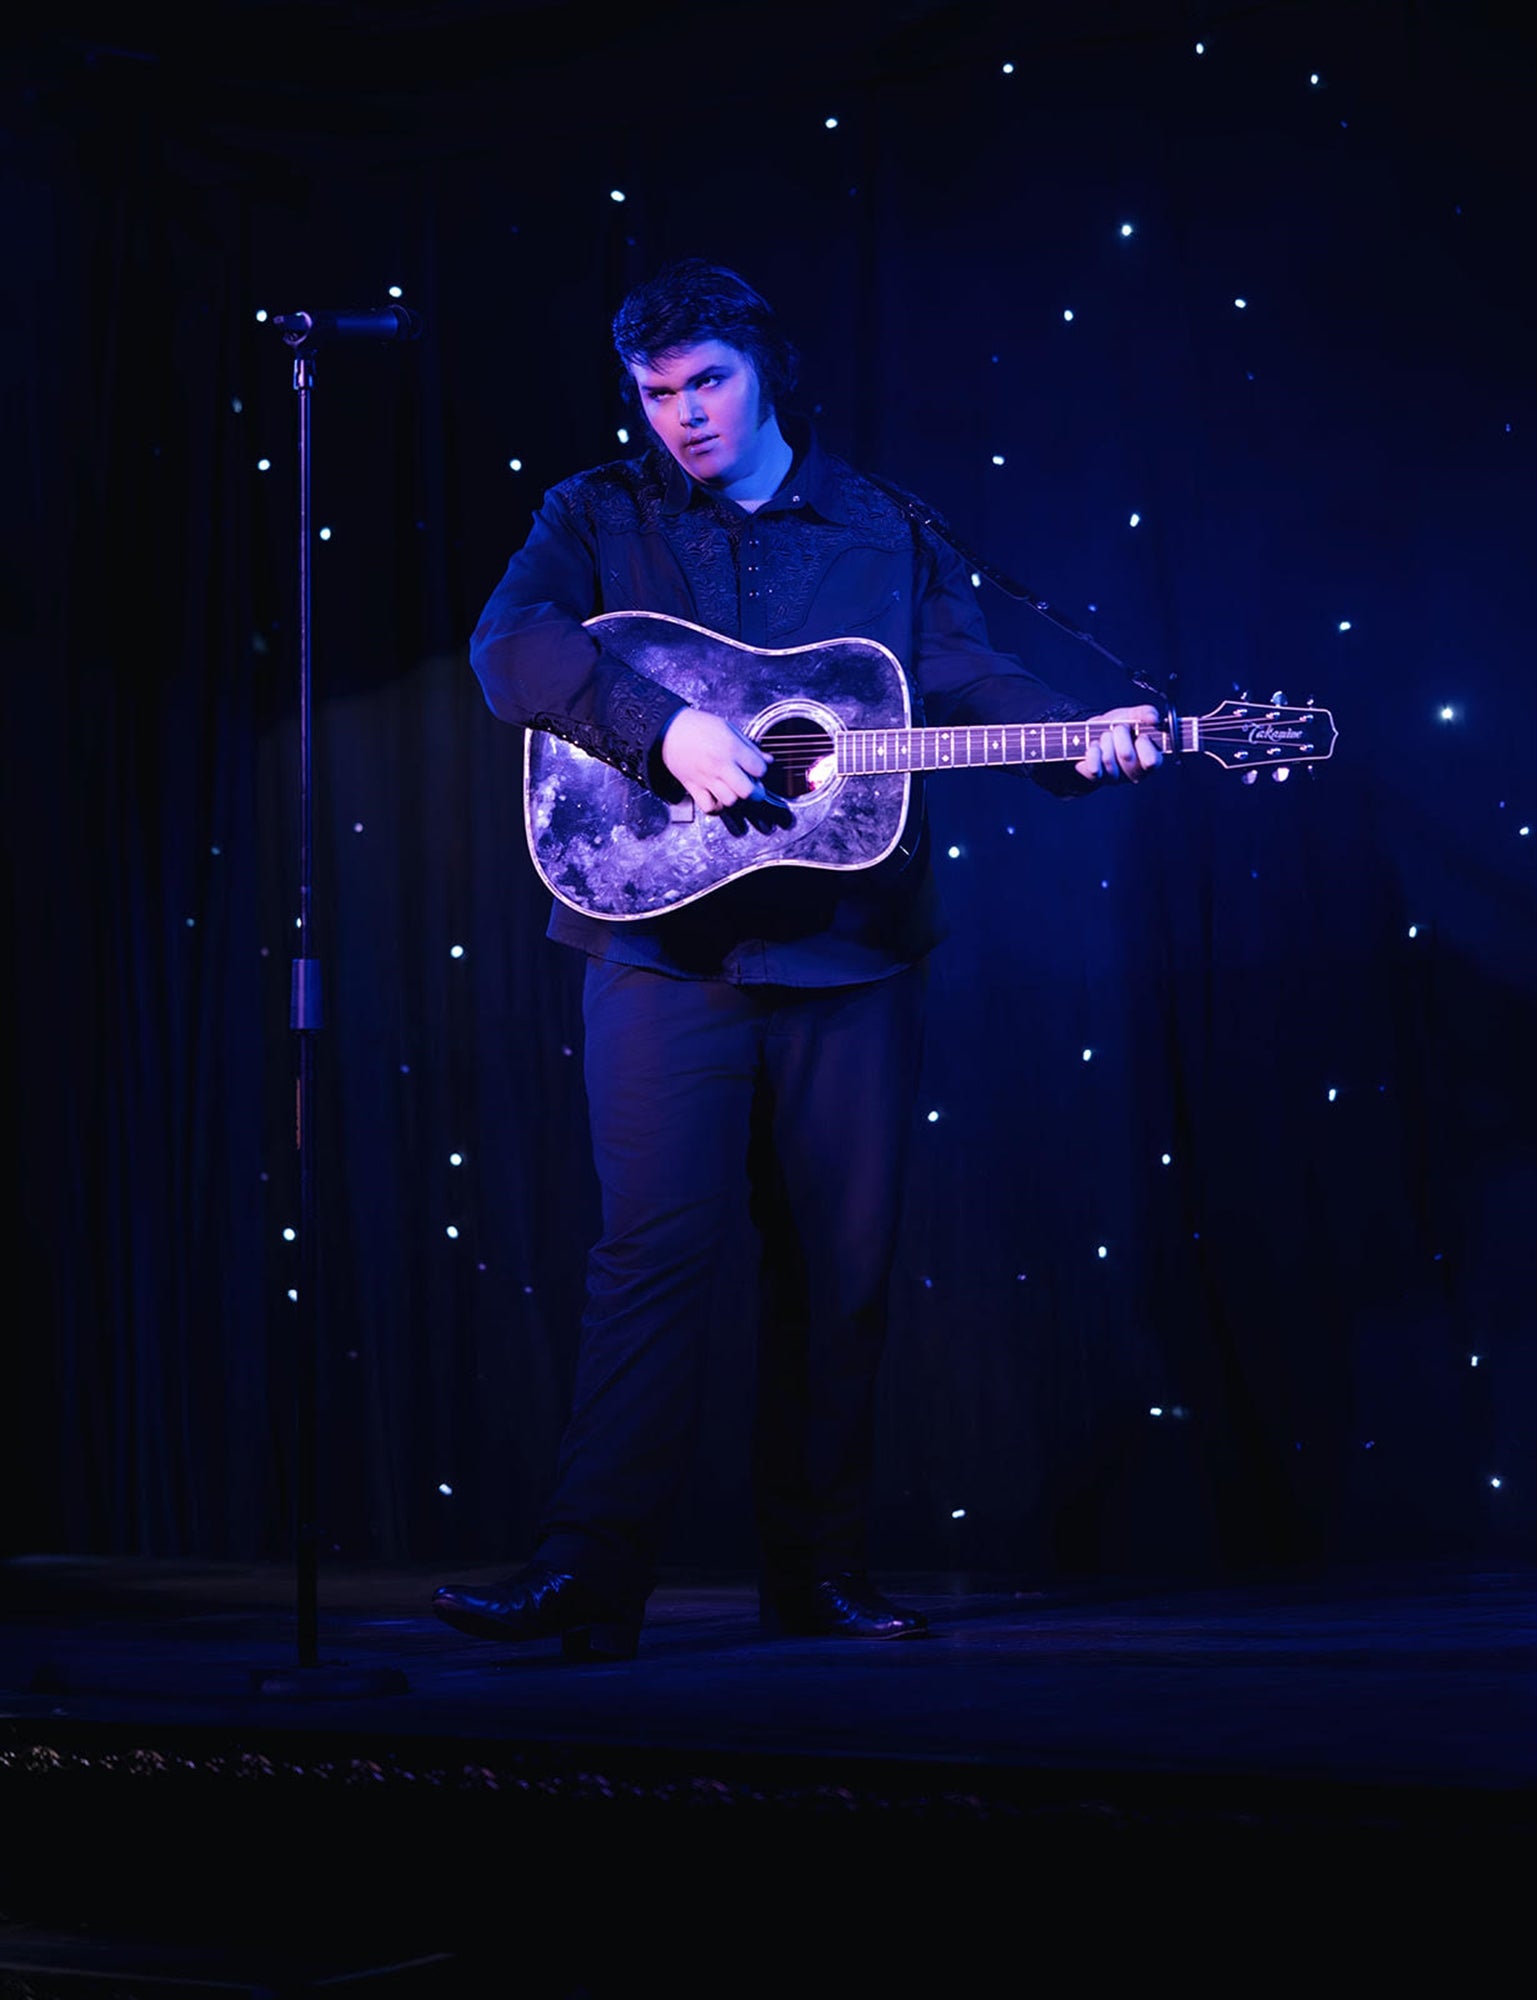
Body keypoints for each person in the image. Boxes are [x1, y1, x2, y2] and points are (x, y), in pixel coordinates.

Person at [433, 259, 1161, 1662]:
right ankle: (585, 1579)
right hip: (656, 943)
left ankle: (814, 1574)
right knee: (647, 1257)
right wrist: (663, 729)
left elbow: (963, 679)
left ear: (766, 371)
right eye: (657, 393)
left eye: (706, 382)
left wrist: (1085, 730)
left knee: (838, 1271)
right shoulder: (591, 512)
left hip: (849, 954)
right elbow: (507, 651)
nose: (682, 417)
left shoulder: (886, 525)